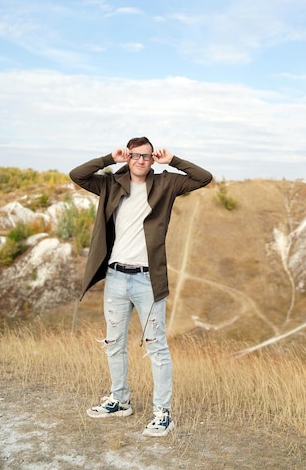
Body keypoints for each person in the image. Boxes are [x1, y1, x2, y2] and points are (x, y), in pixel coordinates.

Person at [69, 136, 212, 437]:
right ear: (128, 156)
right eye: (134, 155)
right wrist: (110, 157)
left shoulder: (166, 185)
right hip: (117, 278)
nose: (140, 161)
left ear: (152, 158)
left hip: (149, 280)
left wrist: (172, 161)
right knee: (113, 343)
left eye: (146, 156)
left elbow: (203, 178)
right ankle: (120, 401)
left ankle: (163, 414)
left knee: (156, 347)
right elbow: (77, 175)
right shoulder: (111, 183)